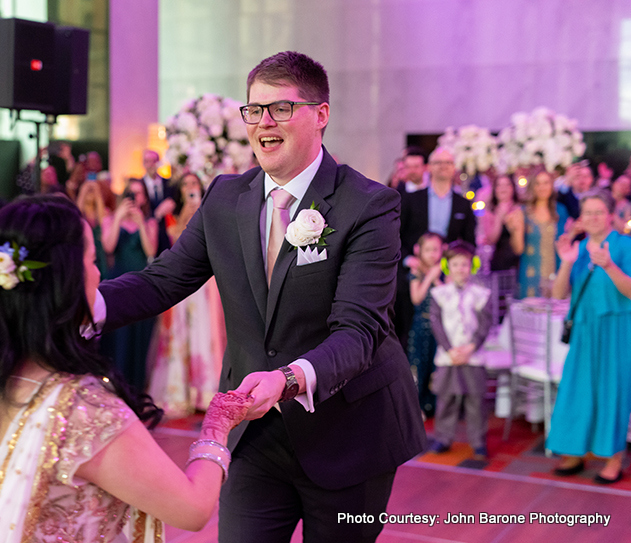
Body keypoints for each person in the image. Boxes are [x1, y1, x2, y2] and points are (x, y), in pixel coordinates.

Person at [96, 51, 425, 543]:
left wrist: (289, 379)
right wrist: (78, 307)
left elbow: (359, 331)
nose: (264, 122)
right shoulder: (226, 197)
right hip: (254, 431)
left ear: (321, 114)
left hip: (349, 431)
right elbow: (162, 280)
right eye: (254, 109)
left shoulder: (370, 205)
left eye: (281, 108)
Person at [0, 195, 253, 541]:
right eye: (91, 259)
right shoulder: (82, 412)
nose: (98, 272)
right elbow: (192, 508)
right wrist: (218, 425)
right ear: (66, 281)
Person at [547, 190, 631, 484]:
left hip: (618, 328)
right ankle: (574, 450)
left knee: (613, 391)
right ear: (581, 218)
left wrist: (609, 266)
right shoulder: (577, 248)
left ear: (610, 214)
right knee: (576, 389)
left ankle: (613, 457)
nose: (593, 218)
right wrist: (567, 261)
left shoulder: (625, 245)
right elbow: (558, 294)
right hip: (583, 327)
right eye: (588, 212)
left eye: (599, 211)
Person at [148, 173, 227, 418]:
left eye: (193, 184)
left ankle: (205, 390)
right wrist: (186, 215)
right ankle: (180, 391)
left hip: (207, 283)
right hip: (184, 280)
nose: (190, 188)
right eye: (185, 184)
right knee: (181, 332)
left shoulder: (211, 210)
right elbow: (176, 242)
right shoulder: (173, 216)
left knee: (205, 331)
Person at [396, 146, 477, 352]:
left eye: (448, 163)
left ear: (454, 168)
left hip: (445, 279)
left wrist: (456, 270)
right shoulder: (411, 200)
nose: (443, 167)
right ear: (429, 167)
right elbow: (395, 236)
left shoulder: (463, 204)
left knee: (446, 333)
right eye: (438, 163)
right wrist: (408, 260)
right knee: (408, 333)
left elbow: (469, 244)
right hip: (413, 276)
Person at [428, 241, 493, 459]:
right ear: (447, 266)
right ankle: (443, 438)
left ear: (472, 266)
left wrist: (471, 347)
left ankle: (478, 441)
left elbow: (485, 323)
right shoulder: (439, 294)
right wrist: (450, 350)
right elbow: (436, 324)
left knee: (475, 400)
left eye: (464, 265)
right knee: (446, 400)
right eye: (455, 265)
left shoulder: (481, 294)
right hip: (448, 357)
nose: (460, 269)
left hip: (473, 356)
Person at [101, 178, 159, 390]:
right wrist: (118, 217)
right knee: (119, 334)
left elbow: (151, 251)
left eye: (139, 193)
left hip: (141, 283)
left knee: (139, 333)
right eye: (131, 193)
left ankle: (136, 384)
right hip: (117, 280)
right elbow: (108, 246)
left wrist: (140, 222)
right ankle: (115, 381)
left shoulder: (150, 222)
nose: (136, 198)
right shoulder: (110, 219)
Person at [407, 232, 445, 418]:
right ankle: (417, 406)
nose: (432, 254)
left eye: (436, 250)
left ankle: (434, 405)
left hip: (440, 329)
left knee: (435, 368)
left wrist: (437, 277)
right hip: (421, 326)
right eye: (428, 250)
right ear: (419, 251)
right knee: (418, 366)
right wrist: (429, 276)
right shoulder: (417, 273)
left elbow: (446, 298)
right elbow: (416, 298)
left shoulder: (445, 272)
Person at [518, 170, 570, 298]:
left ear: (551, 186)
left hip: (555, 272)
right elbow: (518, 248)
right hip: (531, 274)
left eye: (546, 183)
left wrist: (573, 231)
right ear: (532, 186)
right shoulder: (523, 212)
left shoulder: (561, 211)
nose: (542, 187)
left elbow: (565, 241)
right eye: (538, 183)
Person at [481, 173, 524, 272]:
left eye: (507, 185)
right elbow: (492, 240)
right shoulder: (489, 213)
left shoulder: (521, 210)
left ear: (512, 188)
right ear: (494, 189)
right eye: (499, 185)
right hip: (500, 263)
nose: (502, 188)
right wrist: (499, 218)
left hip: (521, 261)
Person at [76, 179, 110, 278]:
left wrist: (97, 191)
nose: (90, 193)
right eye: (88, 192)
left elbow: (103, 221)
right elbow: (76, 215)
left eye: (92, 192)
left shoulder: (103, 213)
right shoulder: (80, 214)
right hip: (84, 251)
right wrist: (84, 190)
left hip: (100, 252)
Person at [141, 149, 176, 221]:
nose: (151, 165)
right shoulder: (139, 185)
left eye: (154, 161)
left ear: (158, 163)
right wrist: (157, 213)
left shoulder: (169, 184)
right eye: (147, 161)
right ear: (143, 164)